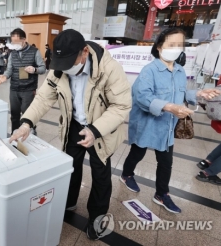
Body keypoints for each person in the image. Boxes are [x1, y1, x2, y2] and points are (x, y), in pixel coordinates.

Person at [9, 29, 132, 240]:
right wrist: (26, 123)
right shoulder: (59, 69)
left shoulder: (109, 68)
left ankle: (97, 217)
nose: (65, 69)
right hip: (74, 124)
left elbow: (121, 106)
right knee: (70, 165)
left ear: (84, 52)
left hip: (102, 128)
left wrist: (95, 130)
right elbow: (43, 99)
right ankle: (69, 201)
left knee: (100, 173)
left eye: (69, 63)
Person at [119, 28, 220, 213]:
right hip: (146, 124)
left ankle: (161, 194)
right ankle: (126, 175)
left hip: (166, 127)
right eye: (171, 44)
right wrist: (170, 107)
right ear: (159, 47)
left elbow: (179, 93)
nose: (176, 49)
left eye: (179, 45)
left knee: (166, 162)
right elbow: (142, 97)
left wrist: (198, 93)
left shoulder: (180, 70)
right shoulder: (149, 70)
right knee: (137, 154)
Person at [0, 28, 46, 134]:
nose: (14, 44)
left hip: (28, 89)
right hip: (14, 89)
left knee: (27, 114)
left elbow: (43, 68)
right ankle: (15, 135)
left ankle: (32, 134)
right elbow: (9, 69)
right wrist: (5, 76)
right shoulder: (12, 53)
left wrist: (34, 69)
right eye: (12, 41)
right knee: (14, 115)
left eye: (16, 42)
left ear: (24, 39)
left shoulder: (35, 51)